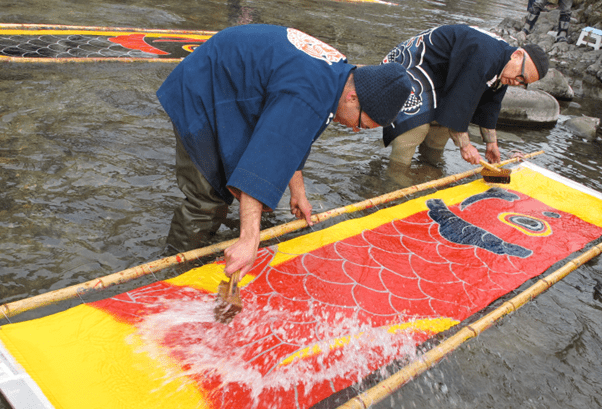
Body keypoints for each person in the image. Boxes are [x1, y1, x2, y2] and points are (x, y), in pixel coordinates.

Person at [156, 24, 411, 281]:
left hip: (238, 83)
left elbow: (295, 136)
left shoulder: (338, 75)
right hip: (204, 85)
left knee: (250, 187)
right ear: (353, 98)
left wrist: (297, 192)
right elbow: (263, 161)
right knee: (208, 199)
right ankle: (175, 272)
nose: (356, 130)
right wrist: (249, 240)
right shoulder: (309, 95)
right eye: (361, 124)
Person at [380, 25, 549, 169]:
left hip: (439, 77)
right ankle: (397, 175)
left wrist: (491, 143)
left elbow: (490, 105)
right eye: (521, 77)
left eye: (523, 84)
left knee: (440, 130)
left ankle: (429, 168)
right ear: (517, 55)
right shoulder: (485, 55)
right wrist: (465, 146)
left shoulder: (504, 64)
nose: (517, 83)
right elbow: (460, 101)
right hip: (409, 65)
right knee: (416, 126)